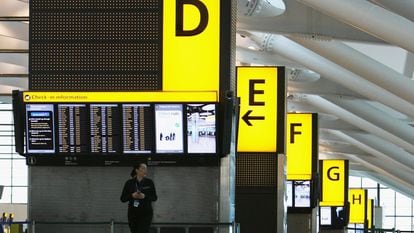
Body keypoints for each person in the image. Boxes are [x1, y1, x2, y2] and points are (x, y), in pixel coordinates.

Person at [120, 163, 157, 233]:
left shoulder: (149, 182)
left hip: (146, 213)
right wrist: (132, 196)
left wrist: (144, 196)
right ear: (137, 170)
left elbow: (154, 198)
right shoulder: (129, 183)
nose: (145, 170)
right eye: (143, 168)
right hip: (133, 213)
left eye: (146, 168)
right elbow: (122, 199)